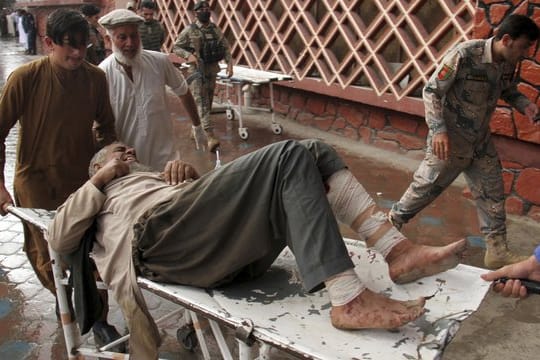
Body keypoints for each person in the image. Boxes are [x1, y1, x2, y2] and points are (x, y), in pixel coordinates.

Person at [48, 139, 466, 358]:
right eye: (120, 152)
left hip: (214, 247)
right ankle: (348, 298)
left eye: (130, 152)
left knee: (312, 153)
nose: (130, 154)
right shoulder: (100, 193)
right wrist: (103, 178)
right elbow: (59, 236)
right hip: (156, 242)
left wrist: (189, 179)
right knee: (286, 155)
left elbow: (217, 208)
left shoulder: (154, 178)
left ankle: (396, 250)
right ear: (99, 165)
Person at [0, 8, 122, 350]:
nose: (78, 54)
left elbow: (107, 129)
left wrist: (110, 157)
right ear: (48, 42)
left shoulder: (96, 79)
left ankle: (98, 319)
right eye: (69, 46)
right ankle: (67, 300)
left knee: (91, 254)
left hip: (81, 184)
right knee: (45, 257)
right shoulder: (25, 78)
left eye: (83, 45)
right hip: (36, 183)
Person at [389, 14, 540, 270]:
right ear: (506, 39)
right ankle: (387, 229)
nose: (525, 53)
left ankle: (497, 251)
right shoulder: (465, 54)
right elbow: (432, 91)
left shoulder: (506, 63)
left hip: (480, 141)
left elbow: (507, 89)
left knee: (492, 192)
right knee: (425, 189)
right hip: (449, 141)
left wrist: (525, 105)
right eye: (524, 46)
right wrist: (438, 131)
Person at [98, 9, 205, 171]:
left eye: (134, 36)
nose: (130, 43)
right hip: (128, 167)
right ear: (108, 40)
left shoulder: (159, 62)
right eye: (122, 37)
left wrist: (197, 126)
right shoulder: (102, 74)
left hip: (165, 160)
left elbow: (183, 91)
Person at [173, 0, 234, 152]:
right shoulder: (190, 30)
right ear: (196, 13)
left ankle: (195, 130)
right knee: (202, 102)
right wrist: (189, 56)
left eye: (208, 8)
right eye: (202, 9)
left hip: (212, 69)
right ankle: (209, 135)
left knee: (209, 100)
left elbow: (225, 46)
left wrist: (230, 64)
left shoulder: (214, 29)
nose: (206, 11)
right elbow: (176, 47)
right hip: (197, 71)